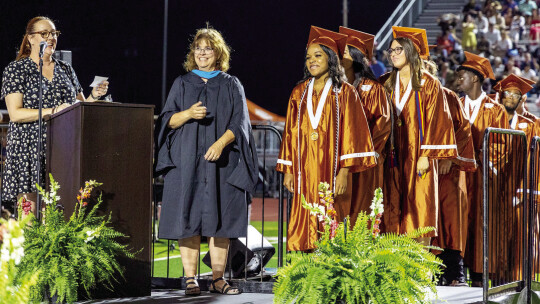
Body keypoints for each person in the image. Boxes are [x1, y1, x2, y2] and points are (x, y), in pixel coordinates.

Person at [154, 27, 258, 295]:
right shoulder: (182, 83)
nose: (201, 52)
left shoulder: (231, 84)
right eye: (198, 48)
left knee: (218, 220)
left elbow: (241, 123)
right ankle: (190, 279)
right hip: (185, 160)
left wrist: (221, 143)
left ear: (218, 53)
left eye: (207, 48)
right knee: (185, 217)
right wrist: (187, 113)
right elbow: (167, 120)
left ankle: (218, 278)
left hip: (220, 162)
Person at [276, 26, 376, 251]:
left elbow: (353, 133)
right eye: (308, 57)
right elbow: (291, 132)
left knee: (333, 217)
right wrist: (289, 169)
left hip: (333, 170)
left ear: (331, 58)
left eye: (318, 55)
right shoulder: (298, 93)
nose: (311, 60)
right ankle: (305, 271)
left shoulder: (345, 92)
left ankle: (332, 272)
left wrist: (344, 171)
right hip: (304, 170)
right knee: (304, 216)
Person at [0, 16, 108, 211]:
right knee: (29, 214)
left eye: (54, 33)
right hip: (28, 149)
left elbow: (79, 107)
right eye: (44, 33)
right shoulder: (16, 69)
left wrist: (94, 95)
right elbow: (15, 114)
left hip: (61, 149)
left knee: (56, 212)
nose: (51, 38)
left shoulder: (66, 69)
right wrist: (54, 111)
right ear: (31, 38)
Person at [381, 26, 457, 242]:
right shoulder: (385, 82)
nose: (393, 54)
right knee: (393, 206)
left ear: (411, 52)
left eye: (398, 50)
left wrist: (426, 156)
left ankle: (419, 269)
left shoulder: (429, 83)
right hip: (393, 156)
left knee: (419, 208)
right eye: (391, 50)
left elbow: (437, 120)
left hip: (418, 155)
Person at [456, 51, 509, 287]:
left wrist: (482, 160)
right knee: (457, 223)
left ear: (476, 78)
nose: (459, 80)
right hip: (458, 176)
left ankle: (479, 276)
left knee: (480, 223)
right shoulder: (455, 104)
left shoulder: (495, 109)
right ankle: (457, 272)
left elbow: (503, 144)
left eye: (463, 75)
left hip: (483, 176)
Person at [424, 60, 476, 287]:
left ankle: (456, 272)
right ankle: (432, 273)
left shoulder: (447, 96)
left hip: (447, 172)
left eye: (425, 70)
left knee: (450, 220)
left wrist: (449, 157)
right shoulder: (406, 97)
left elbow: (463, 129)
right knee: (426, 220)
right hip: (422, 171)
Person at [338, 26, 392, 228]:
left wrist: (367, 152)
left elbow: (383, 123)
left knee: (362, 209)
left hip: (366, 161)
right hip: (341, 161)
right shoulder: (337, 88)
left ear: (356, 57)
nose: (338, 55)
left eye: (343, 51)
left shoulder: (373, 89)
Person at [493, 74, 535, 283]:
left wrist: (524, 191)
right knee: (494, 237)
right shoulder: (490, 121)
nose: (510, 97)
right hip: (493, 188)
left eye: (516, 94)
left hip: (518, 190)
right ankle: (493, 281)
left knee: (518, 239)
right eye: (507, 92)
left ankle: (519, 283)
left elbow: (533, 161)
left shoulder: (531, 125)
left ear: (522, 99)